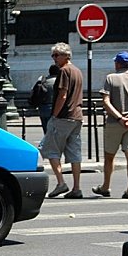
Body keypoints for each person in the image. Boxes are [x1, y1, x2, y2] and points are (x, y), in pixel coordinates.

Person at [92, 51, 128, 200]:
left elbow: (106, 101)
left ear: (117, 63)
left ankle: (106, 186)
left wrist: (119, 118)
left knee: (109, 156)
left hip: (114, 123)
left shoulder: (111, 78)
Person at [38, 42, 84, 199]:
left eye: (57, 55)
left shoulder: (64, 71)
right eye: (53, 55)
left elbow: (62, 95)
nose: (54, 59)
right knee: (74, 152)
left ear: (66, 55)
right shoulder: (78, 71)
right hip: (77, 116)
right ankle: (76, 187)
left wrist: (55, 115)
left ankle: (61, 183)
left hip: (63, 116)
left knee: (50, 148)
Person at [32, 64, 60, 133]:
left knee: (46, 131)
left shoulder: (44, 81)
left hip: (43, 108)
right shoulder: (59, 82)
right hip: (55, 108)